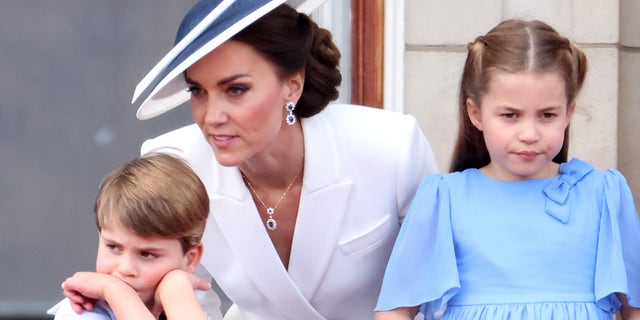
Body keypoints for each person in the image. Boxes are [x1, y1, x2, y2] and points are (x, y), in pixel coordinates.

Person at [83, 0, 438, 319]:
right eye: (198, 91)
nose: (212, 116)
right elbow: (185, 300)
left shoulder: (390, 147)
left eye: (235, 90)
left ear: (292, 86)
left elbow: (438, 287)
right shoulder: (177, 163)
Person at [374, 19, 640, 320]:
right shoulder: (443, 199)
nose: (529, 133)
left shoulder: (603, 195)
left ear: (569, 113)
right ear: (476, 113)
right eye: (510, 115)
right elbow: (395, 311)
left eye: (547, 115)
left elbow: (635, 308)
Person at [48, 153, 217, 320]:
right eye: (113, 247)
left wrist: (176, 292)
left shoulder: (184, 310)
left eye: (147, 254)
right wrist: (116, 291)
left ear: (190, 259)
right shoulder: (81, 312)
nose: (126, 269)